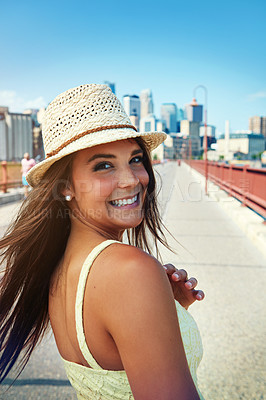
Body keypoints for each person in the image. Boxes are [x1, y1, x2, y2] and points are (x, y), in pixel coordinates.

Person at [0, 84, 205, 399]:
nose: (132, 179)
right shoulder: (130, 272)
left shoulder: (61, 268)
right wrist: (147, 292)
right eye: (104, 165)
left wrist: (167, 309)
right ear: (65, 186)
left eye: (136, 159)